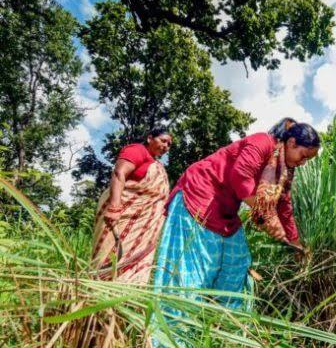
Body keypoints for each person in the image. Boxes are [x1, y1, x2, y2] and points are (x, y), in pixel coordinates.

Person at [153, 118, 320, 310]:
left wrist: (295, 243)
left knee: (237, 261)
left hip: (227, 210)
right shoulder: (262, 142)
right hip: (201, 195)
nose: (303, 163)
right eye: (304, 156)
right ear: (291, 143)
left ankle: (224, 320)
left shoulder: (283, 172)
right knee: (191, 268)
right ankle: (175, 326)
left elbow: (284, 206)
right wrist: (266, 217)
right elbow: (241, 177)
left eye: (308, 160)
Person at [91, 127, 172, 283]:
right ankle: (93, 297)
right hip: (121, 215)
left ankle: (121, 302)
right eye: (163, 141)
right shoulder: (138, 150)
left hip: (141, 226)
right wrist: (114, 208)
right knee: (106, 259)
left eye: (169, 144)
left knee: (133, 266)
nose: (166, 146)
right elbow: (119, 173)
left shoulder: (156, 164)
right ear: (149, 138)